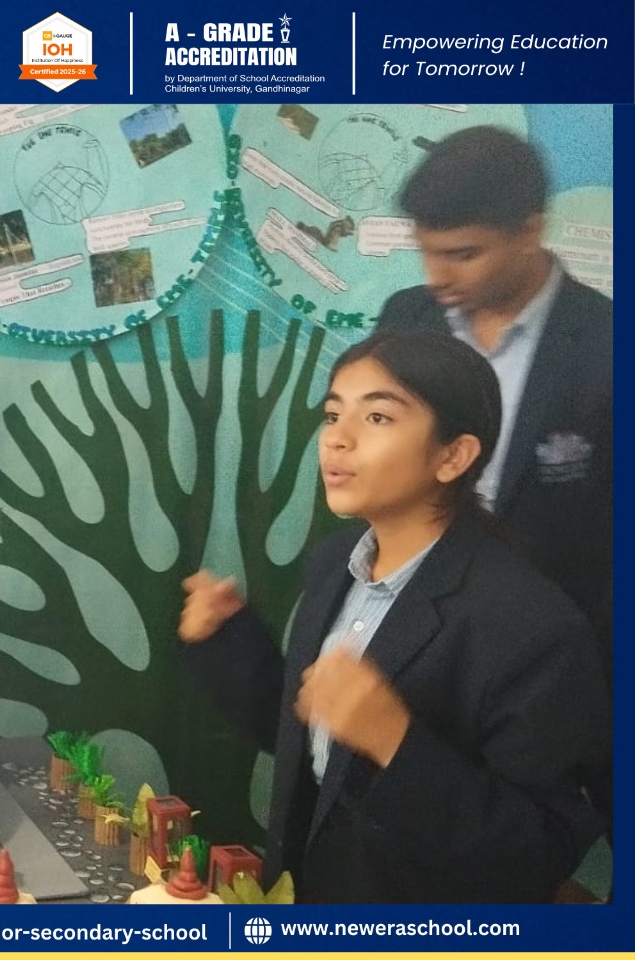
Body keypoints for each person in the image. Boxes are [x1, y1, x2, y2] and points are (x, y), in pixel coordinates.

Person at [177, 329, 609, 903]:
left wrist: (395, 742)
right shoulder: (336, 564)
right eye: (333, 415)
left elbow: (537, 854)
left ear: (453, 456)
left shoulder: (532, 626)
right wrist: (227, 643)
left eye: (377, 417)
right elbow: (313, 743)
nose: (338, 439)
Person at [376, 126, 613, 680]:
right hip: (411, 643)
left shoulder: (608, 345)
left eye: (463, 255)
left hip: (556, 661)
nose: (436, 277)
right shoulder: (405, 320)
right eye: (426, 252)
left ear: (530, 231)